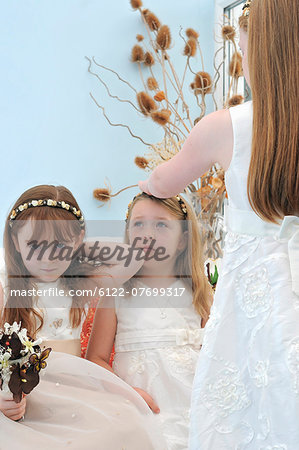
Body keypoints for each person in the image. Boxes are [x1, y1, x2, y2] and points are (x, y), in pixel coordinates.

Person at [138, 0, 299, 447]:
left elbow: (165, 180)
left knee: (249, 399)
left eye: (244, 53)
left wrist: (149, 182)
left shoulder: (225, 126)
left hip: (257, 288)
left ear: (263, 56)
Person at [0, 184, 165, 449]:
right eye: (34, 244)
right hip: (24, 394)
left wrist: (76, 246)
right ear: (15, 241)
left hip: (74, 391)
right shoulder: (7, 288)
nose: (48, 257)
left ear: (77, 240)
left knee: (128, 427)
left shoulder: (79, 286)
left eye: (59, 246)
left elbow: (133, 258)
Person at [87, 193, 213, 450]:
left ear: (183, 240)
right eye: (139, 223)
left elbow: (218, 354)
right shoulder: (116, 292)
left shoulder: (200, 293)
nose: (147, 234)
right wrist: (128, 392)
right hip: (138, 410)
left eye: (161, 225)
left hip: (193, 410)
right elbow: (95, 358)